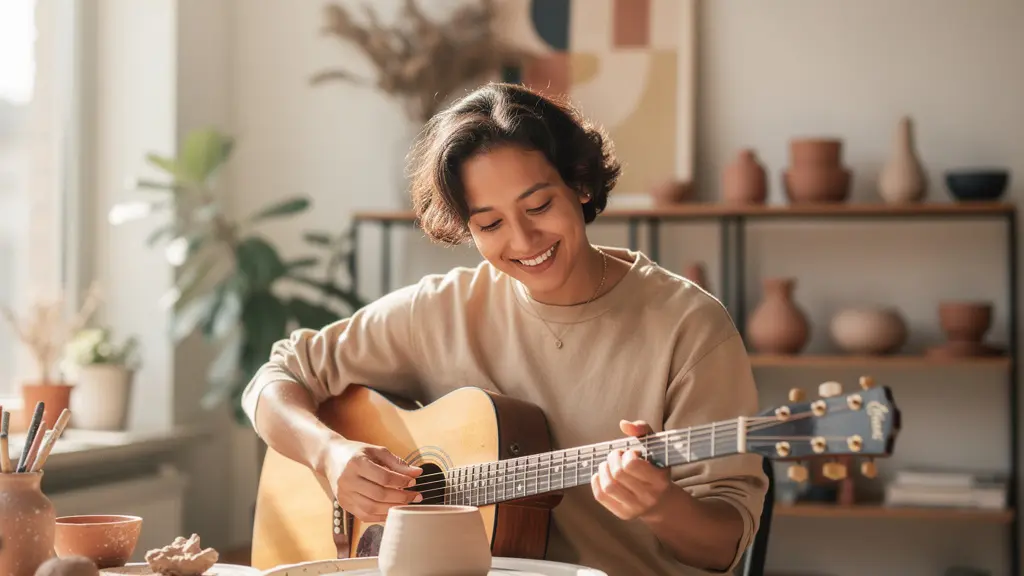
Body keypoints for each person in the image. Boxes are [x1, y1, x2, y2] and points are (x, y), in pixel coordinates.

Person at [240, 82, 768, 575]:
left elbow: (724, 544)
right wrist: (329, 454)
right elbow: (276, 377)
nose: (522, 240)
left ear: (581, 185)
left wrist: (662, 504)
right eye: (489, 224)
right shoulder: (444, 310)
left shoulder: (689, 326)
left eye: (538, 205)